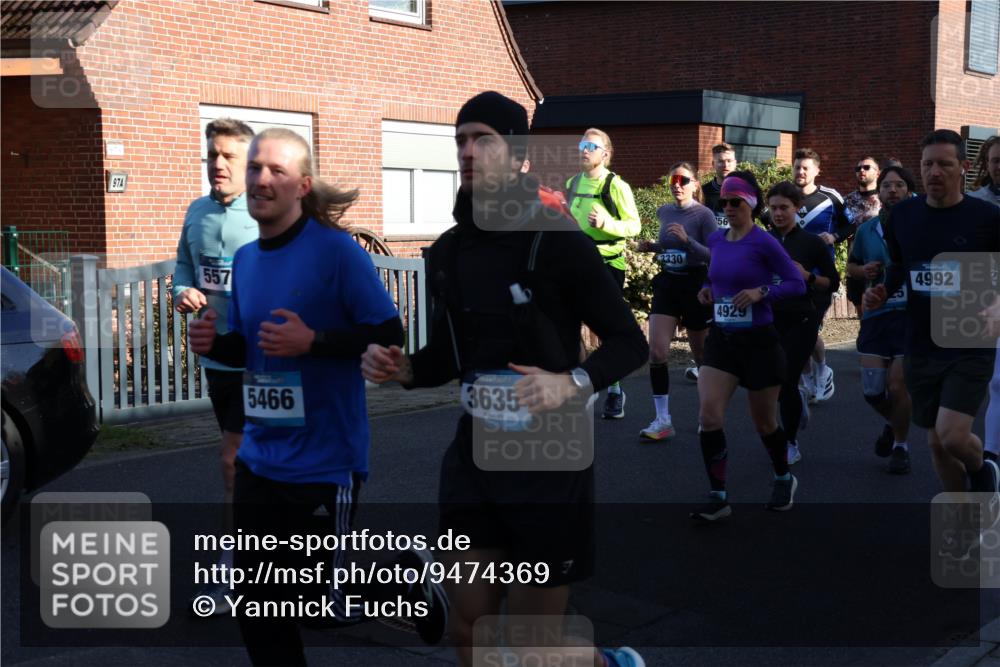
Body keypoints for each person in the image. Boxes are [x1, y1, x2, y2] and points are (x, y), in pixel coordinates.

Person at [362, 91, 649, 667]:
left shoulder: (558, 241)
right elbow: (445, 357)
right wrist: (405, 369)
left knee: (531, 646)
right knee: (469, 629)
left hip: (549, 455)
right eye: (461, 140)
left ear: (519, 155)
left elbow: (629, 343)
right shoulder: (448, 253)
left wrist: (572, 382)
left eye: (483, 139)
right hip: (474, 455)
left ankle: (609, 663)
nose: (468, 151)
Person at [189, 128, 448, 665]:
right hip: (261, 458)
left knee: (314, 596)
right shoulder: (248, 261)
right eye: (255, 167)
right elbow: (255, 351)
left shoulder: (337, 254)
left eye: (276, 171)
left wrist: (316, 341)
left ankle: (400, 581)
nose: (261, 178)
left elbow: (389, 334)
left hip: (326, 462)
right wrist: (219, 341)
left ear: (303, 186)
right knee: (260, 607)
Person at [863, 129, 1000, 559]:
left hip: (970, 338)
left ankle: (984, 469)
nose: (934, 172)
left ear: (962, 167)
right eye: (927, 164)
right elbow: (899, 268)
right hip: (921, 339)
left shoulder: (986, 218)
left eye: (944, 163)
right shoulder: (902, 217)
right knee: (937, 444)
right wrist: (881, 291)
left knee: (953, 435)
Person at [171, 118, 258, 613]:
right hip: (219, 361)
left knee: (233, 461)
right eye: (212, 155)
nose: (218, 165)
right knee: (239, 468)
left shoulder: (267, 214)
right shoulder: (197, 211)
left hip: (266, 357)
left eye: (229, 157)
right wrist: (181, 289)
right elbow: (183, 265)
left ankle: (238, 571)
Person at [691, 171, 806, 521]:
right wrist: (707, 291)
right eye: (723, 202)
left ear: (751, 205)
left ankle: (784, 476)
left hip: (759, 342)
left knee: (765, 424)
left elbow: (796, 284)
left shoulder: (765, 242)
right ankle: (718, 495)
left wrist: (762, 292)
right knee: (708, 416)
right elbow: (715, 279)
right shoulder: (715, 240)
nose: (727, 207)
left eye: (735, 202)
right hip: (723, 341)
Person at [635, 162, 717, 441]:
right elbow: (667, 247)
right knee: (657, 353)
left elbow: (715, 255)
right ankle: (662, 419)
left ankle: (708, 414)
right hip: (668, 282)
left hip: (695, 284)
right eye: (673, 181)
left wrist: (687, 242)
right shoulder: (665, 211)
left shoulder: (704, 215)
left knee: (701, 355)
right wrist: (653, 247)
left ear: (695, 183)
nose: (677, 185)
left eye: (683, 180)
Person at [565, 128, 642, 419]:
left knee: (606, 330)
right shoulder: (573, 183)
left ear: (605, 155)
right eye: (582, 144)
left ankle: (614, 390)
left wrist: (608, 223)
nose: (584, 150)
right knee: (568, 323)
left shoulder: (616, 186)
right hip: (578, 262)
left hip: (609, 263)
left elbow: (634, 226)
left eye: (591, 146)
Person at [847, 165, 916, 474]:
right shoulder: (866, 230)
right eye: (887, 186)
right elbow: (851, 268)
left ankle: (901, 447)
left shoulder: (921, 225)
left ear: (909, 190)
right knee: (873, 391)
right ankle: (894, 423)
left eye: (899, 185)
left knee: (899, 386)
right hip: (876, 314)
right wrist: (865, 272)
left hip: (910, 315)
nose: (892, 190)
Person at [766, 181, 840, 466]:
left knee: (786, 378)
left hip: (801, 319)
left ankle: (791, 442)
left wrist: (807, 276)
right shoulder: (762, 240)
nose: (779, 213)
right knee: (773, 381)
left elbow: (832, 282)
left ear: (797, 208)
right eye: (773, 208)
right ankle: (796, 401)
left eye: (784, 207)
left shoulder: (811, 242)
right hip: (769, 318)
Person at [792, 148, 851, 404]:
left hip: (820, 276)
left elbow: (850, 224)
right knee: (795, 330)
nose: (800, 172)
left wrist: (834, 236)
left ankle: (822, 371)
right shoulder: (785, 195)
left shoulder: (830, 197)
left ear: (816, 170)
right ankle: (806, 382)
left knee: (807, 329)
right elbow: (769, 221)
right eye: (797, 167)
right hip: (789, 276)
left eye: (806, 167)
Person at [968, 136, 1000, 464]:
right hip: (988, 295)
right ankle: (991, 457)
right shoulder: (975, 202)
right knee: (997, 381)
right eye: (996, 160)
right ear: (986, 164)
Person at [843, 157, 882, 317]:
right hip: (856, 265)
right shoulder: (847, 200)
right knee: (863, 318)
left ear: (878, 172)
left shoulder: (885, 198)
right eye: (858, 168)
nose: (861, 171)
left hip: (880, 263)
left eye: (866, 167)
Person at [701, 142, 737, 231]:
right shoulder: (703, 192)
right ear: (713, 164)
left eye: (729, 161)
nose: (725, 165)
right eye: (720, 161)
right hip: (711, 244)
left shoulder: (747, 190)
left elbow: (767, 217)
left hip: (739, 244)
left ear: (735, 163)